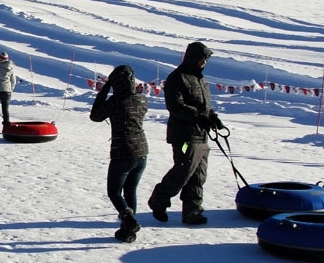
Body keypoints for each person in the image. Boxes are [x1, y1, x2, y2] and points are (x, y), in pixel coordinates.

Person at [147, 42, 224, 225]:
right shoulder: (177, 78)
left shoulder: (201, 80)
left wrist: (212, 117)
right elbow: (175, 106)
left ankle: (192, 211)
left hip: (201, 134)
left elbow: (204, 107)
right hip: (184, 136)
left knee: (199, 174)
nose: (203, 62)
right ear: (192, 58)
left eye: (205, 60)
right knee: (184, 170)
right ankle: (159, 199)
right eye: (201, 59)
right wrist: (198, 116)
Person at [90, 65, 149, 243]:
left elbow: (95, 116)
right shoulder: (142, 99)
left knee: (114, 192)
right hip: (142, 151)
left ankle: (128, 221)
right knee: (130, 189)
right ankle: (127, 231)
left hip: (123, 152)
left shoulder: (116, 101)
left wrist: (104, 90)